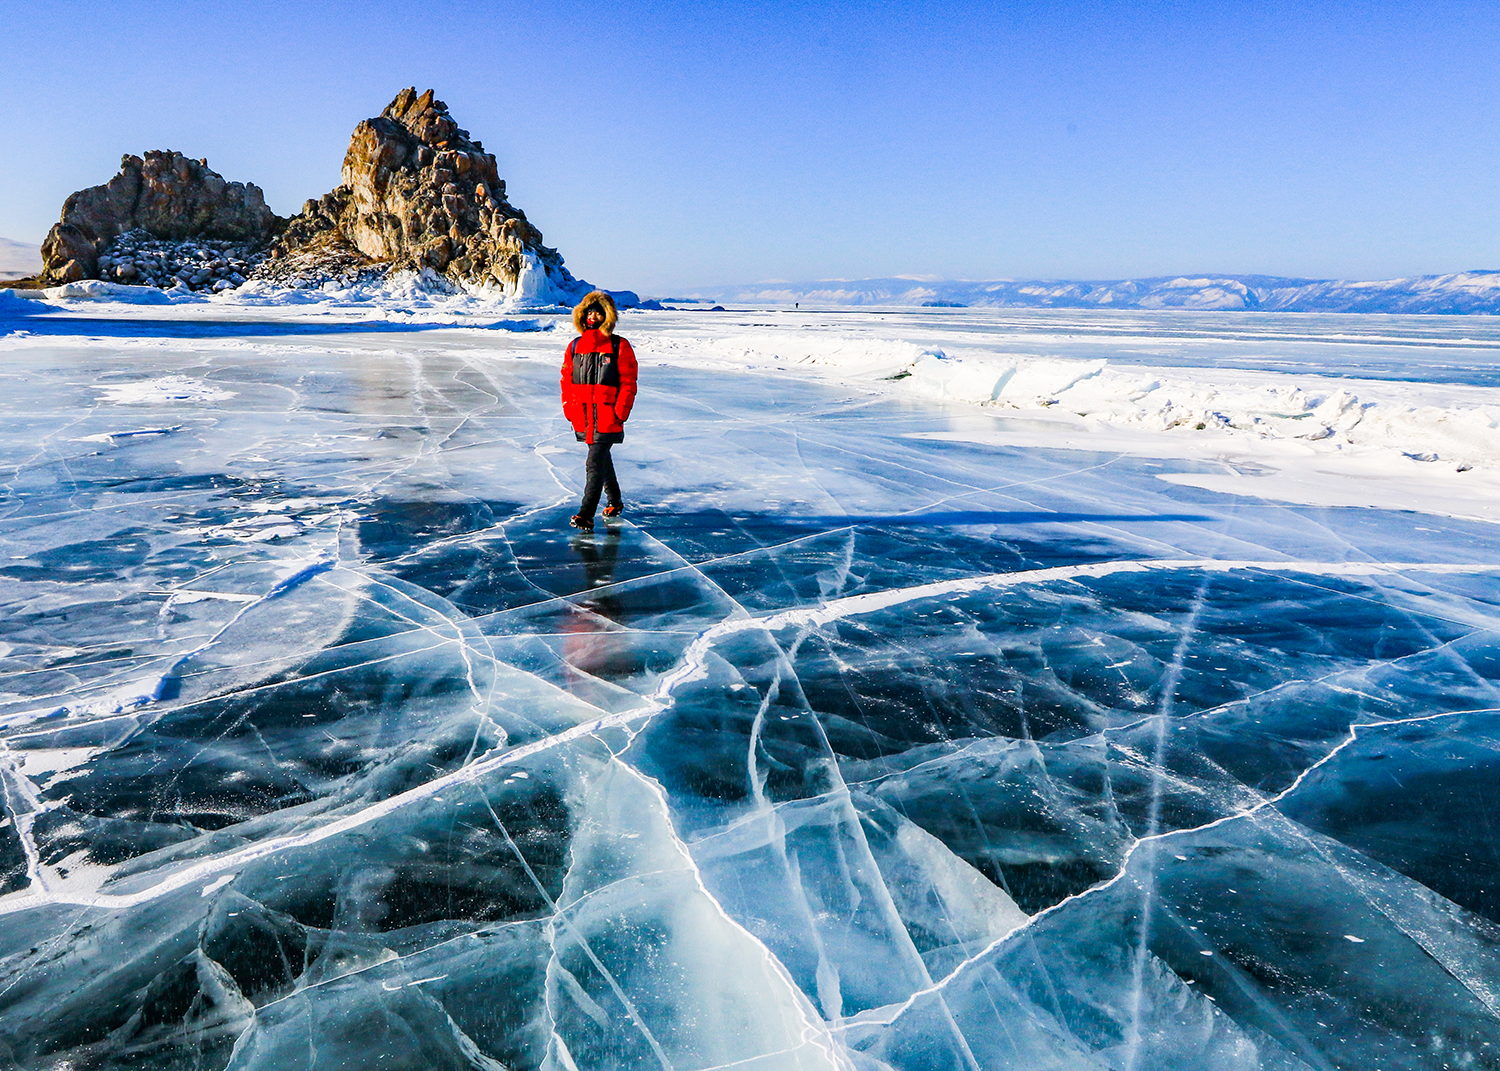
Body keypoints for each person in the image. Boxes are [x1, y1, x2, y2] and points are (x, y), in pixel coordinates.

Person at [560, 290, 638, 530]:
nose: (593, 316)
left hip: (608, 416)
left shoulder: (618, 345)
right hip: (583, 416)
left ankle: (586, 513)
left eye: (598, 312)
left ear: (607, 316)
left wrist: (620, 412)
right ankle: (615, 501)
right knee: (602, 459)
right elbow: (566, 380)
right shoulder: (575, 346)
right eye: (589, 312)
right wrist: (570, 411)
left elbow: (628, 381)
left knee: (594, 463)